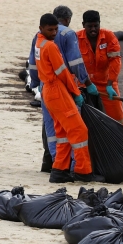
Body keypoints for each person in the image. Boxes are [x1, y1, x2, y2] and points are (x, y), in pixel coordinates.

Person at [33, 14, 103, 184]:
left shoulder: (39, 42)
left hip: (48, 92)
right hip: (57, 91)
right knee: (79, 130)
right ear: (41, 28)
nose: (54, 33)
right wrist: (77, 93)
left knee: (62, 132)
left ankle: (59, 170)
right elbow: (62, 72)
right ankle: (83, 171)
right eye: (50, 30)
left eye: (56, 29)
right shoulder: (50, 46)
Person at [76, 10, 123, 122]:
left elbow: (115, 62)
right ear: (83, 25)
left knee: (117, 118)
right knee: (84, 119)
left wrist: (110, 84)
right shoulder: (76, 38)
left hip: (107, 84)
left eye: (96, 26)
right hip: (84, 84)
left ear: (99, 24)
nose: (93, 29)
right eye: (89, 26)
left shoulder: (109, 36)